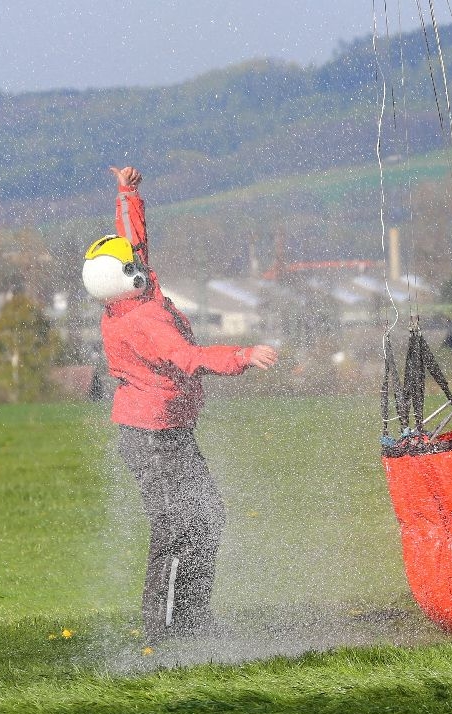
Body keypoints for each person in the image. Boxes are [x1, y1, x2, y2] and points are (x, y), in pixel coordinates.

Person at [82, 165, 278, 645]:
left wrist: (128, 193)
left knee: (206, 516)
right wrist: (243, 356)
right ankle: (163, 630)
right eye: (136, 267)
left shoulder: (129, 292)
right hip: (150, 440)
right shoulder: (144, 322)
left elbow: (133, 241)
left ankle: (193, 620)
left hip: (170, 435)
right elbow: (189, 359)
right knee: (175, 526)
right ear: (126, 280)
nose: (145, 266)